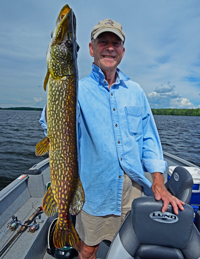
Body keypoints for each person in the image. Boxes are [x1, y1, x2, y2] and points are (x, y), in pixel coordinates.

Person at [40, 18, 185, 259]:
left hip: (132, 193)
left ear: (122, 51)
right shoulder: (78, 89)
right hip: (95, 193)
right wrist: (56, 94)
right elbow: (52, 128)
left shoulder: (136, 91)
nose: (109, 48)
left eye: (115, 43)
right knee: (88, 249)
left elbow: (149, 140)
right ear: (91, 49)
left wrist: (158, 181)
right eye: (103, 42)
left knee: (128, 249)